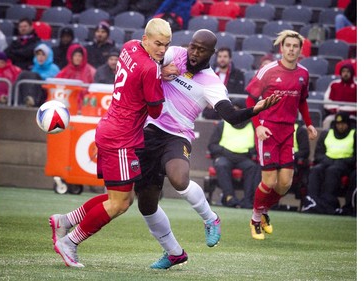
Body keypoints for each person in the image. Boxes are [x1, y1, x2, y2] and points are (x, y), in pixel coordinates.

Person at [134, 29, 280, 269]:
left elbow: (231, 116)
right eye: (193, 46)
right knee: (146, 203)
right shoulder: (175, 54)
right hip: (148, 131)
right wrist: (160, 71)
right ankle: (173, 253)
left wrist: (256, 109)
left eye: (201, 49)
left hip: (177, 135)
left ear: (211, 53)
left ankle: (210, 218)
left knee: (179, 178)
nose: (194, 52)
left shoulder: (213, 83)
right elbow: (144, 63)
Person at [49, 18, 172, 268]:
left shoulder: (128, 47)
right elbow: (156, 112)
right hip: (121, 139)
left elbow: (137, 75)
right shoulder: (150, 69)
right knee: (119, 203)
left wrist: (158, 72)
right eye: (158, 44)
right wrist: (161, 77)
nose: (162, 50)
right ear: (146, 39)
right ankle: (70, 242)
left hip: (110, 128)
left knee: (118, 198)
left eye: (167, 45)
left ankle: (65, 221)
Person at [245, 30, 318, 240]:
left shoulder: (304, 73)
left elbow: (302, 101)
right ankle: (256, 219)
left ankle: (264, 210)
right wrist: (258, 126)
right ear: (282, 48)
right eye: (288, 45)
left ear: (300, 50)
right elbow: (250, 101)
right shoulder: (267, 70)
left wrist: (310, 124)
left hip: (288, 131)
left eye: (295, 46)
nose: (291, 49)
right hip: (267, 130)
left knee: (285, 183)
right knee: (269, 181)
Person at [207, 98, 261, 209]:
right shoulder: (222, 124)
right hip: (225, 156)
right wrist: (223, 151)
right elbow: (212, 146)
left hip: (243, 157)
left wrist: (250, 152)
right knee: (221, 165)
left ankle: (248, 200)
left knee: (252, 167)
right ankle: (229, 197)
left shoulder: (253, 125)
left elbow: (257, 147)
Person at [301, 112, 356, 215]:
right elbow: (318, 154)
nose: (340, 126)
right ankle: (312, 200)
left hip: (345, 164)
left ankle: (328, 202)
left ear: (348, 124)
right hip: (327, 161)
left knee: (332, 170)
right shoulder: (326, 133)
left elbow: (355, 157)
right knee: (315, 170)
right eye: (338, 124)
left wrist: (340, 161)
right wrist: (329, 160)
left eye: (343, 124)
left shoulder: (354, 134)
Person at [55, 43, 96, 111]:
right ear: (71, 57)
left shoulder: (91, 71)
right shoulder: (64, 72)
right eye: (75, 56)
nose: (77, 58)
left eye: (79, 56)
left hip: (85, 106)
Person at [322, 64, 357, 130]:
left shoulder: (357, 86)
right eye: (343, 71)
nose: (345, 74)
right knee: (327, 121)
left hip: (352, 115)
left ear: (351, 73)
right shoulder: (334, 84)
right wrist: (335, 109)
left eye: (348, 72)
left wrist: (345, 110)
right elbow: (326, 101)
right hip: (335, 114)